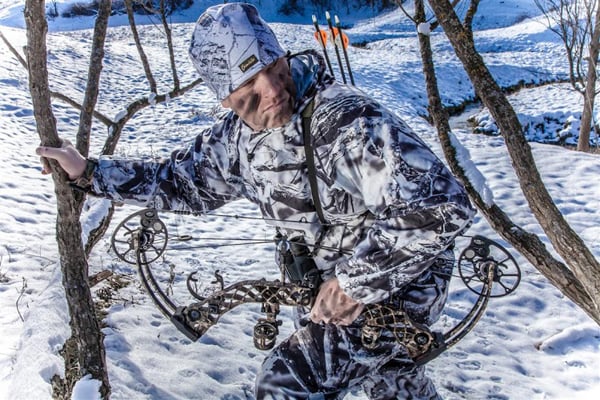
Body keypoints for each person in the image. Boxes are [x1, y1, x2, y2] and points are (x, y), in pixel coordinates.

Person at [37, 3, 476, 399]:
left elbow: (440, 208)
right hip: (326, 289)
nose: (272, 88)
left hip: (399, 286)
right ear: (224, 94)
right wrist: (89, 173)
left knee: (285, 382)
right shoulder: (236, 139)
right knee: (390, 383)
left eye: (274, 65)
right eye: (249, 79)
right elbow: (181, 181)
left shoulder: (345, 121)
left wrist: (354, 284)